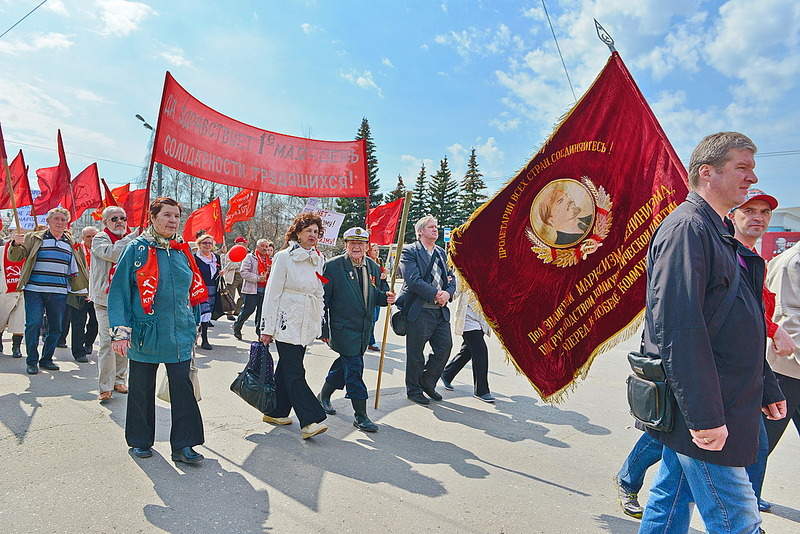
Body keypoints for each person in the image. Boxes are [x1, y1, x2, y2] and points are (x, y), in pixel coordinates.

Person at [615, 187, 794, 519]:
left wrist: (767, 384)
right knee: (734, 515)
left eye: (764, 212)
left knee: (671, 494)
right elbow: (680, 327)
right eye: (749, 210)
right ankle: (628, 479)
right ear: (733, 215)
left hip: (736, 388)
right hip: (708, 392)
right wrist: (703, 414)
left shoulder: (752, 260)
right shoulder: (698, 239)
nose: (757, 217)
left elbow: (750, 324)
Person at [108, 197, 205, 465]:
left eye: (176, 216)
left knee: (182, 388)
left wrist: (194, 324)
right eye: (167, 215)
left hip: (180, 332)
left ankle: (184, 445)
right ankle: (140, 440)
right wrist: (120, 332)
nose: (173, 220)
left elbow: (193, 289)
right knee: (141, 387)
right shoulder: (137, 248)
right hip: (145, 330)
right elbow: (120, 292)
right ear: (153, 217)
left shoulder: (182, 249)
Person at [318, 227, 394, 432]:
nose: (357, 247)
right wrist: (323, 329)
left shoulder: (372, 266)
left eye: (361, 243)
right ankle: (360, 416)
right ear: (346, 245)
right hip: (343, 328)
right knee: (354, 369)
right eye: (352, 243)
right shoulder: (333, 267)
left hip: (364, 330)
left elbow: (373, 294)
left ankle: (323, 395)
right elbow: (322, 300)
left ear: (367, 246)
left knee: (344, 365)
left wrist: (385, 298)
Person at [258, 213, 327, 440]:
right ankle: (310, 419)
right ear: (298, 232)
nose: (312, 235)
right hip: (286, 321)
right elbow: (272, 293)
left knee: (288, 368)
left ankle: (276, 412)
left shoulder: (319, 258)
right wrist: (267, 328)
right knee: (295, 370)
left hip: (307, 322)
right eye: (308, 230)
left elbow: (319, 292)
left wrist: (321, 321)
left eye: (316, 232)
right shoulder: (283, 257)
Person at [9, 207, 88, 375]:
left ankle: (46, 359)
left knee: (56, 328)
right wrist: (15, 244)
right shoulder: (34, 237)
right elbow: (15, 256)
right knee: (33, 324)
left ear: (67, 223)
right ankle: (32, 361)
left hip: (59, 292)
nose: (60, 222)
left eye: (63, 220)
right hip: (34, 290)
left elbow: (80, 266)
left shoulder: (71, 242)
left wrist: (83, 288)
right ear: (48, 221)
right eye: (56, 219)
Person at [398, 215, 456, 405]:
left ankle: (427, 381)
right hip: (420, 310)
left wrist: (448, 293)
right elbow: (413, 280)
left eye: (436, 227)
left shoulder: (441, 252)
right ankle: (413, 389)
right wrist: (436, 294)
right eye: (431, 227)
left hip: (440, 311)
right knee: (415, 353)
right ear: (420, 231)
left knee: (444, 348)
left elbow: (451, 277)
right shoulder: (410, 251)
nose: (435, 229)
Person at [762, 238, 800, 498]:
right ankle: (744, 506)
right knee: (761, 444)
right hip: (785, 371)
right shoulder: (793, 263)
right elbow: (789, 321)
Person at [90, 206, 138, 402]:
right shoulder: (100, 239)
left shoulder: (134, 240)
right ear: (105, 222)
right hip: (104, 301)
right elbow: (114, 253)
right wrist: (132, 237)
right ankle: (105, 386)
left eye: (123, 218)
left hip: (124, 301)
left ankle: (119, 379)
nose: (120, 221)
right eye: (114, 219)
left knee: (122, 341)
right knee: (108, 343)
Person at [440, 293, 494, 402]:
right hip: (468, 321)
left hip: (481, 322)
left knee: (467, 352)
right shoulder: (466, 276)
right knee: (481, 352)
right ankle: (481, 390)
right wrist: (445, 295)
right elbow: (454, 290)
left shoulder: (490, 278)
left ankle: (447, 374)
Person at [68, 226, 99, 363]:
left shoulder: (103, 249)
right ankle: (78, 352)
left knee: (96, 321)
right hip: (79, 292)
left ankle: (88, 342)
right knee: (78, 323)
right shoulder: (76, 250)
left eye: (94, 236)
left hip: (97, 292)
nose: (92, 239)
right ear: (82, 238)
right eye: (88, 237)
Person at [233, 239, 273, 341]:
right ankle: (237, 326)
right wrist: (258, 278)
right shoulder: (250, 257)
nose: (265, 248)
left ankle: (260, 334)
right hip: (252, 289)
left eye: (266, 246)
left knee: (261, 313)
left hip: (265, 290)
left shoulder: (270, 260)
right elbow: (243, 272)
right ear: (257, 247)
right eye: (262, 246)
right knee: (248, 310)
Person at [194, 233, 221, 350]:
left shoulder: (216, 257)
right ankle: (200, 338)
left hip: (212, 289)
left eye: (210, 243)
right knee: (200, 313)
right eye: (205, 243)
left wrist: (221, 273)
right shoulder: (195, 258)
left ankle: (202, 337)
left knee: (207, 314)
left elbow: (216, 273)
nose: (208, 245)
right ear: (199, 244)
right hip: (199, 288)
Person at [0, 237, 26, 358]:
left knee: (19, 321)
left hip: (22, 290)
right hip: (4, 289)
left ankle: (16, 347)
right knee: (1, 319)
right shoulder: (1, 250)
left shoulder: (28, 251)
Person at [222, 236, 248, 319]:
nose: (243, 245)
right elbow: (228, 265)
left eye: (244, 243)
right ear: (236, 243)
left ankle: (237, 310)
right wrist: (239, 263)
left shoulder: (246, 252)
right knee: (230, 295)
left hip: (243, 276)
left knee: (244, 295)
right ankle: (229, 313)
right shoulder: (231, 252)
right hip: (233, 275)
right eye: (241, 243)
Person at [366, 243, 385, 351]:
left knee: (375, 318)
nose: (377, 252)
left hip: (378, 292)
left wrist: (384, 274)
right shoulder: (366, 262)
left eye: (378, 250)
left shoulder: (379, 261)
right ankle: (370, 341)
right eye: (374, 250)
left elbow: (384, 273)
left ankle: (367, 338)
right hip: (369, 294)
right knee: (371, 319)